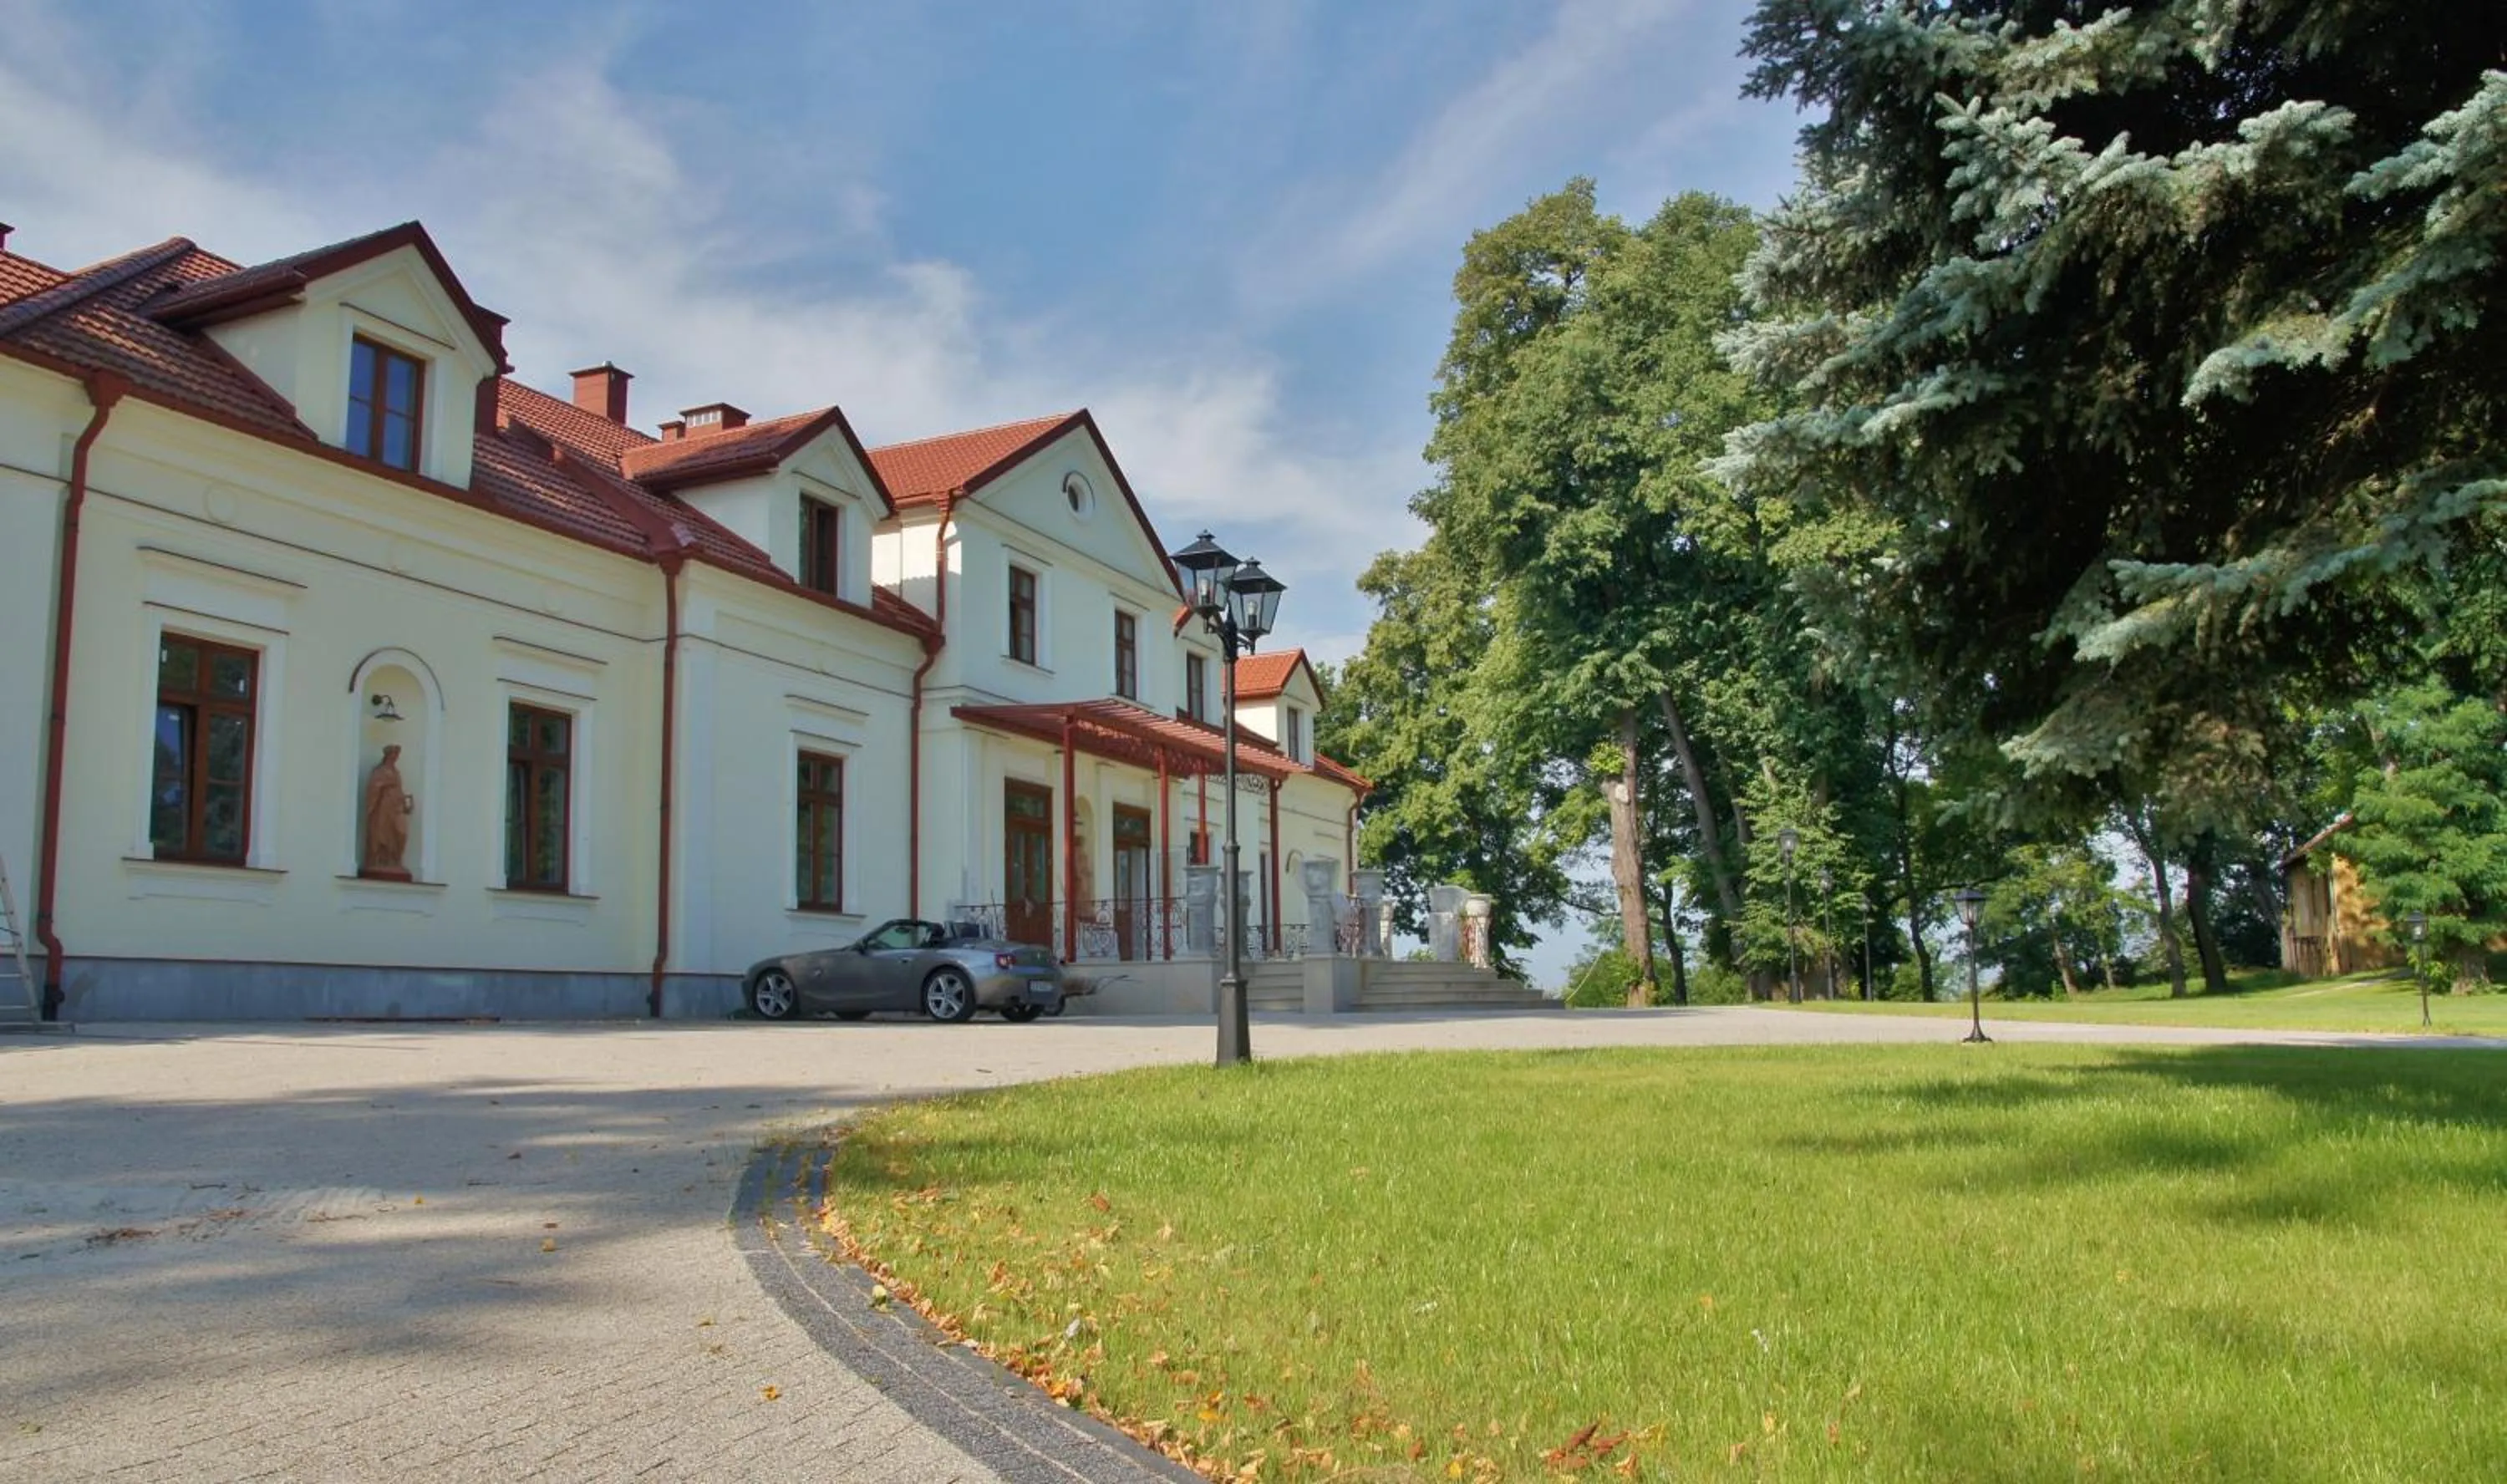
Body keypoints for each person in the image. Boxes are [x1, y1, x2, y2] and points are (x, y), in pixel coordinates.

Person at [362, 744, 414, 877]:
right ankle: (379, 860)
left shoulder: (396, 773)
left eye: (397, 755)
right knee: (381, 833)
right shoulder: (380, 771)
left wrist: (405, 802)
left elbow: (398, 790)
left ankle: (395, 860)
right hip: (383, 808)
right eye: (394, 754)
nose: (395, 757)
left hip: (396, 808)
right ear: (388, 755)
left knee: (401, 833)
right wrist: (384, 784)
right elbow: (373, 788)